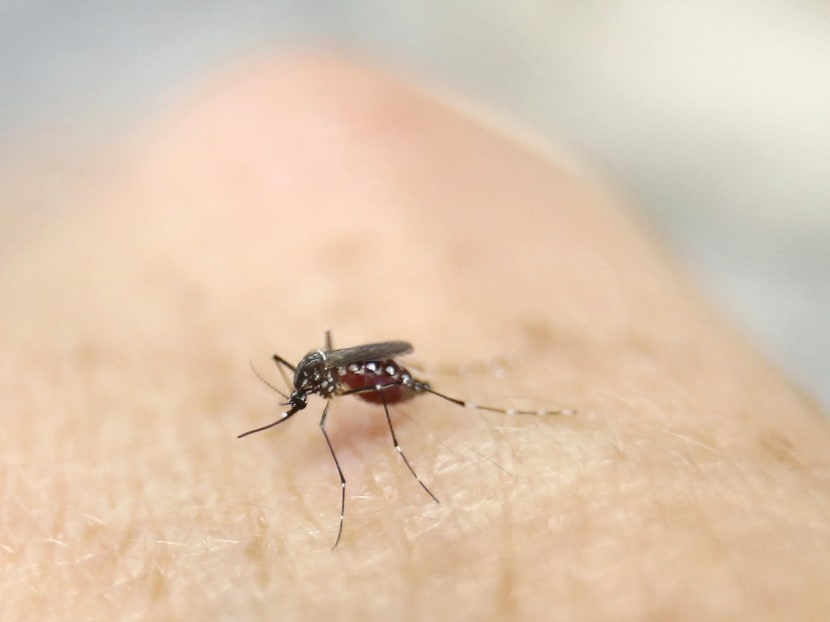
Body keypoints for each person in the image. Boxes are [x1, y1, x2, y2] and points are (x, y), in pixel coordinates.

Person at [2, 54, 828, 620]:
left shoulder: (333, 384)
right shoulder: (316, 375)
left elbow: (351, 375)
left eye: (302, 387)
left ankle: (464, 407)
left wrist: (379, 408)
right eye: (300, 387)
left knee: (362, 406)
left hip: (388, 373)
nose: (302, 393)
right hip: (368, 367)